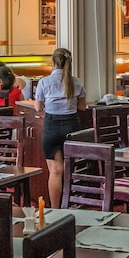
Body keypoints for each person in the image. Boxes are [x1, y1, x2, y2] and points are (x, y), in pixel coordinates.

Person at [35, 48, 85, 206]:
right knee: (70, 170)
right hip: (72, 126)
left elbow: (38, 107)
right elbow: (82, 107)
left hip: (52, 127)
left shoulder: (44, 82)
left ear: (53, 62)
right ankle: (70, 204)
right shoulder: (76, 82)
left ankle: (56, 209)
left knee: (55, 172)